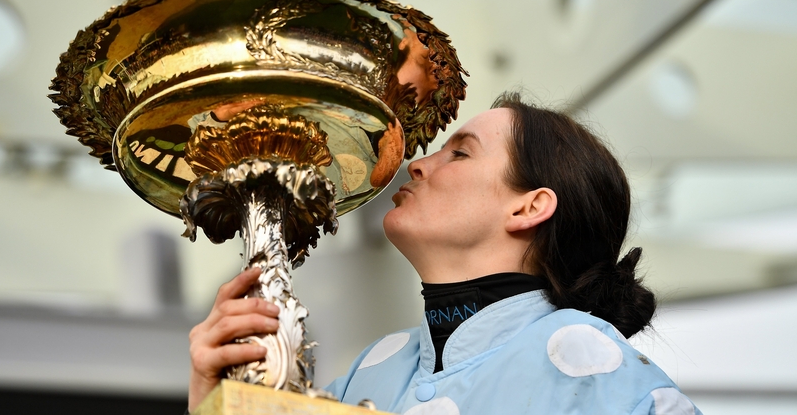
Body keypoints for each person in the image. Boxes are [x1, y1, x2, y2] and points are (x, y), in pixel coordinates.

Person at [187, 92, 702, 414]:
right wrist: (214, 396)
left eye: (459, 151)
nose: (417, 165)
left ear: (529, 207)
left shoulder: (598, 366)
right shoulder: (372, 368)